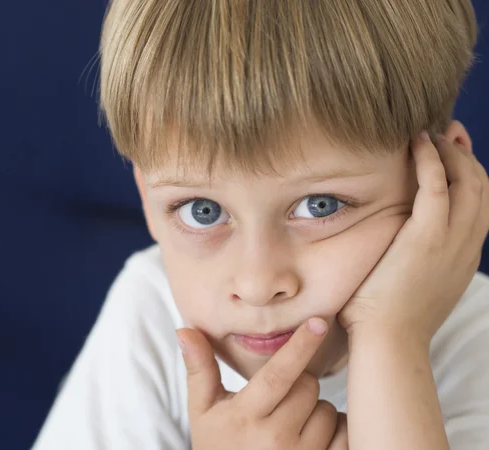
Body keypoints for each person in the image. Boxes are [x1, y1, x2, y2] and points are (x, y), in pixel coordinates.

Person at [32, 0, 489, 448]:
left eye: (321, 205)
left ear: (444, 185)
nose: (256, 284)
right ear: (148, 201)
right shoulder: (151, 313)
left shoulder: (476, 340)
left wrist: (393, 338)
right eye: (202, 211)